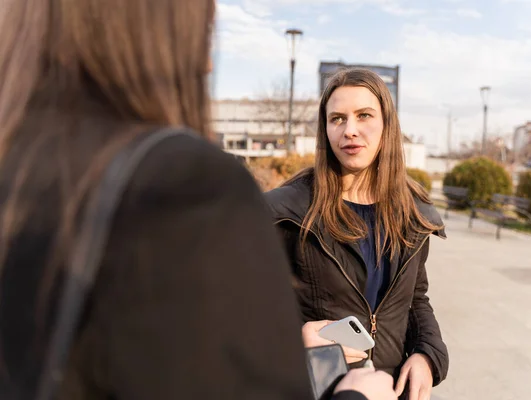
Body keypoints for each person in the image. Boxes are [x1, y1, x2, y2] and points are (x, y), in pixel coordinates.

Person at [0, 1, 396, 399]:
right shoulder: (186, 185)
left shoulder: (20, 165)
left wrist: (428, 353)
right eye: (201, 31)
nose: (207, 63)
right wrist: (355, 396)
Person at [265, 68, 450, 400]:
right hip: (318, 388)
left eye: (364, 115)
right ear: (325, 129)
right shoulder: (286, 212)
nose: (350, 130)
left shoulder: (415, 213)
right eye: (337, 119)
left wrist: (427, 354)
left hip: (390, 390)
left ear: (386, 125)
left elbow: (416, 301)